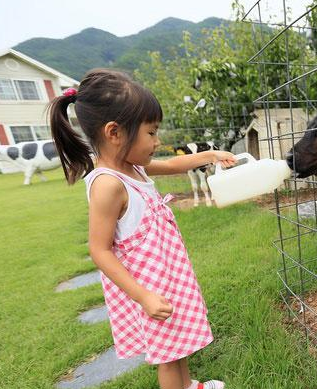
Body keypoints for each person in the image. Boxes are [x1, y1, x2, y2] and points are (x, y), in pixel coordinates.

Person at [49, 69, 235, 389]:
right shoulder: (108, 184)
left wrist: (211, 154)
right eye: (151, 132)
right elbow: (99, 249)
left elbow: (174, 164)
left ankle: (189, 384)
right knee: (167, 355)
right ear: (115, 132)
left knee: (177, 341)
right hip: (148, 285)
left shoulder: (133, 167)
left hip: (167, 277)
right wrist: (143, 296)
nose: (157, 141)